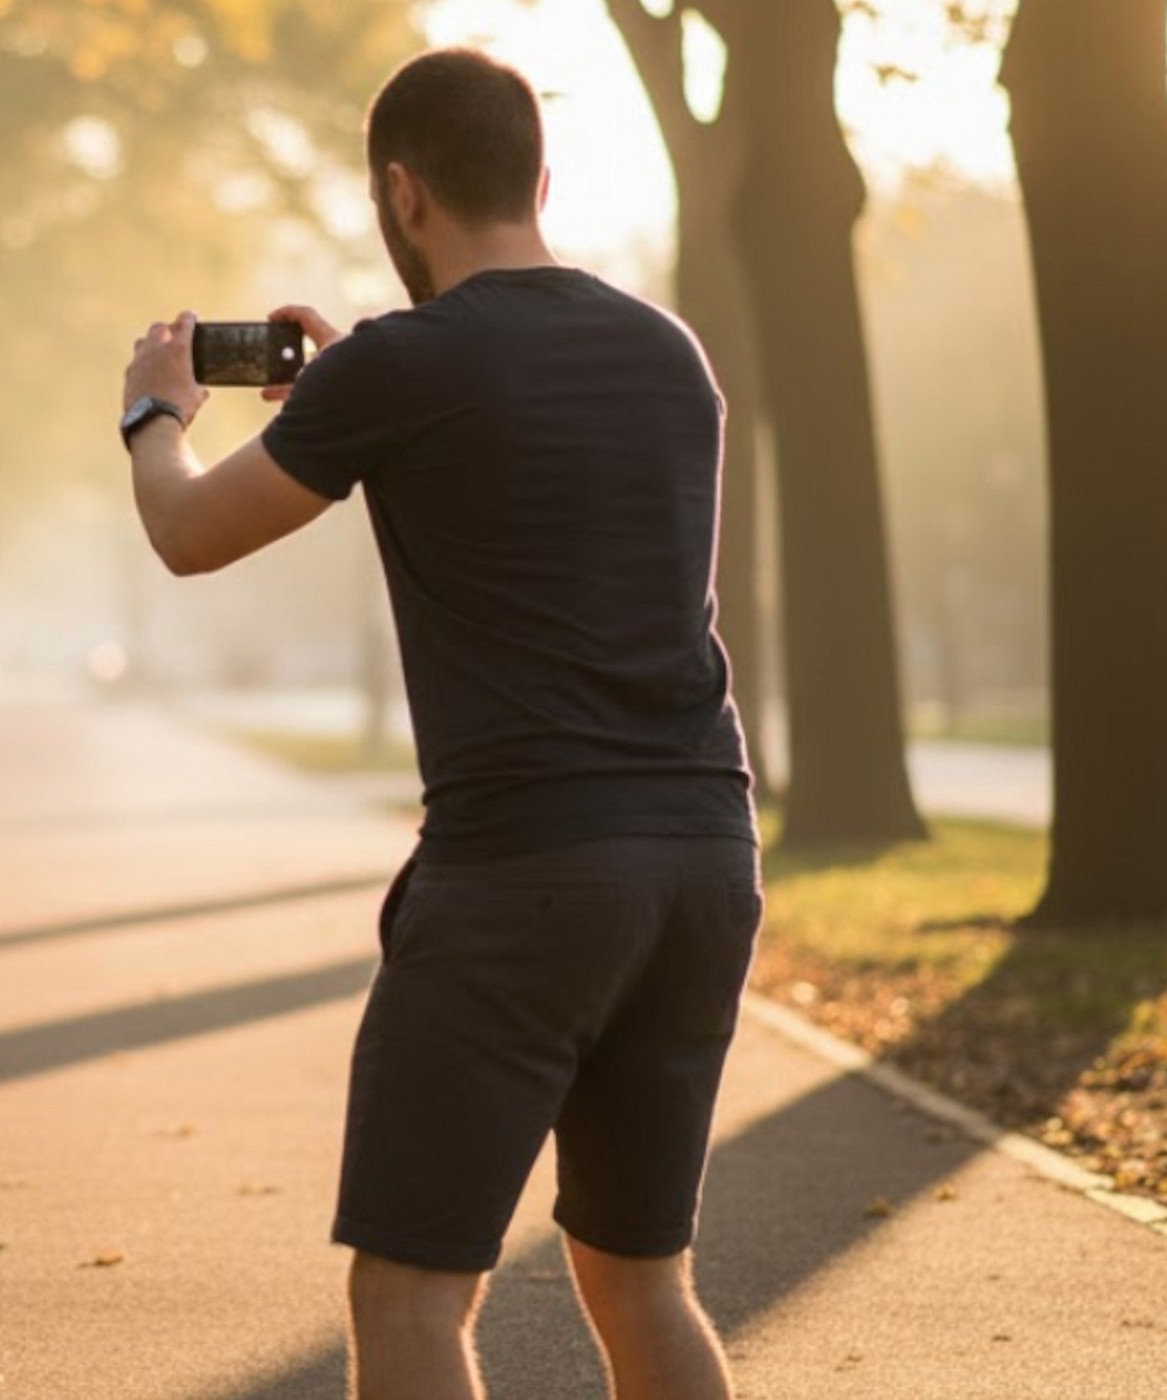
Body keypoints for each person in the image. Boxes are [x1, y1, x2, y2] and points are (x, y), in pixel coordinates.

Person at [116, 49, 760, 1400]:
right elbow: (520, 461)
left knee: (409, 1296)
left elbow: (184, 532)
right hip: (702, 856)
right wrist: (360, 390)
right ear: (537, 177)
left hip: (526, 874)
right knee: (643, 1282)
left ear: (401, 195)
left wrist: (155, 414)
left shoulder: (403, 372)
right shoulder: (664, 351)